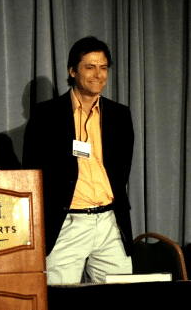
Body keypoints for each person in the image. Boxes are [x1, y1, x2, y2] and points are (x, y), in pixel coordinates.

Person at [23, 36, 134, 284]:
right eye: (90, 67)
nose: (98, 75)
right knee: (58, 298)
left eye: (103, 67)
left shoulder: (120, 115)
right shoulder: (46, 116)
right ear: (72, 71)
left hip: (109, 224)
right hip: (67, 223)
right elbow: (32, 175)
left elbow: (121, 171)